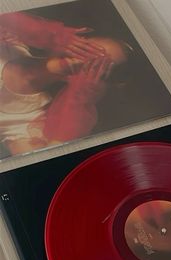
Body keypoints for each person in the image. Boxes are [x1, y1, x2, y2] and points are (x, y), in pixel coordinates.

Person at [0, 12, 131, 156]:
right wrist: (49, 33)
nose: (82, 60)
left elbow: (43, 164)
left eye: (97, 66)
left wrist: (78, 102)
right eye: (85, 49)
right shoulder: (8, 41)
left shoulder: (26, 121)